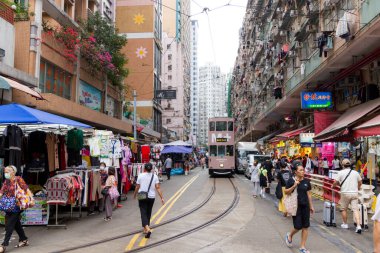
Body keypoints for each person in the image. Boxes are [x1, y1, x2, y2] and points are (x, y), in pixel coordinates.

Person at [285, 165, 314, 253]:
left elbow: (309, 194)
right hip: (296, 207)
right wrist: (294, 185)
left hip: (305, 206)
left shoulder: (307, 181)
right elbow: (286, 192)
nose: (303, 171)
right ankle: (289, 235)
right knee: (298, 226)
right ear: (296, 172)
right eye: (301, 170)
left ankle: (302, 247)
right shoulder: (291, 180)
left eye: (303, 170)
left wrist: (311, 206)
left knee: (305, 227)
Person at [0, 165, 29, 252]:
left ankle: (4, 245)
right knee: (16, 224)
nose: (6, 173)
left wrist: (21, 195)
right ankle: (24, 239)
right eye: (5, 172)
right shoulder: (6, 181)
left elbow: (26, 190)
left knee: (9, 224)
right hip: (8, 206)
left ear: (13, 172)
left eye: (7, 171)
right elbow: (2, 191)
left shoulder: (18, 179)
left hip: (17, 205)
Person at [134, 163, 164, 238]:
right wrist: (162, 198)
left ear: (144, 168)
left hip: (142, 195)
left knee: (143, 212)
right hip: (151, 197)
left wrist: (134, 194)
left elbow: (137, 187)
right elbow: (158, 188)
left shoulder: (140, 175)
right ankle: (145, 229)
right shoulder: (155, 176)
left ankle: (147, 229)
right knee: (148, 212)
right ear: (152, 169)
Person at [332, 159, 362, 234]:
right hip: (354, 193)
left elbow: (335, 182)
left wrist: (333, 186)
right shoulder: (355, 173)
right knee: (355, 210)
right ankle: (358, 226)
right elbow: (360, 182)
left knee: (343, 209)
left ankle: (345, 224)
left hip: (345, 193)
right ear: (350, 165)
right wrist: (357, 188)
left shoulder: (340, 172)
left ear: (342, 165)